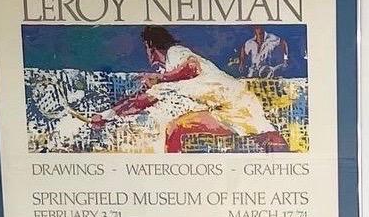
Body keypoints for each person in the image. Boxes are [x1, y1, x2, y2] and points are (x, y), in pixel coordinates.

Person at [88, 26, 289, 151]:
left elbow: (192, 68)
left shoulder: (176, 53)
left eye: (147, 49)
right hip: (221, 110)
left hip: (237, 98)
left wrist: (160, 78)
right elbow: (139, 101)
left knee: (269, 138)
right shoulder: (165, 78)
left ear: (150, 46)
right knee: (176, 128)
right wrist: (106, 116)